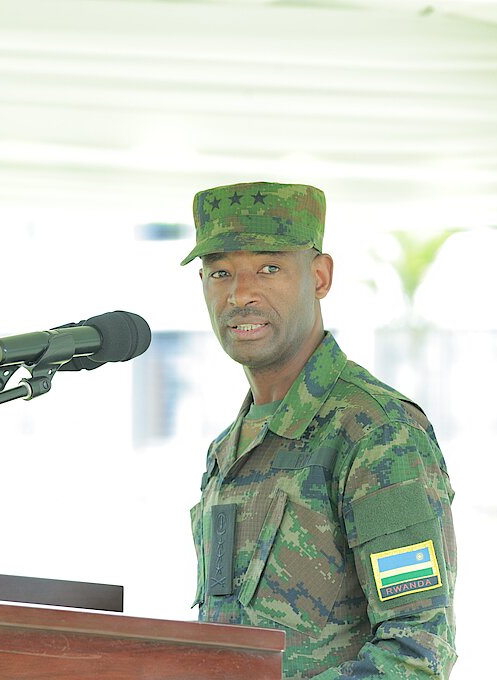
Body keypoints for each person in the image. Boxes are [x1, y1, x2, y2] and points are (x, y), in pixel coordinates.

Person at [182, 182, 457, 679]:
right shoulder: (228, 448)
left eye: (269, 268)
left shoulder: (376, 432)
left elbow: (417, 653)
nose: (240, 294)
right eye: (221, 273)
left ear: (320, 276)